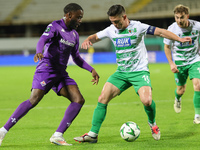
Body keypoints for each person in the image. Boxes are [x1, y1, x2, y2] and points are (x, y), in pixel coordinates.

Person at [73, 4, 191, 143]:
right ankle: (93, 135)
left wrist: (179, 39)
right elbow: (95, 37)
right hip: (121, 73)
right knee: (102, 98)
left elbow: (160, 32)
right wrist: (88, 40)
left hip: (139, 72)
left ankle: (152, 124)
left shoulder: (138, 26)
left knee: (147, 101)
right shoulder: (111, 29)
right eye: (112, 22)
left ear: (124, 17)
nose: (115, 24)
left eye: (117, 21)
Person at [0, 3, 99, 146]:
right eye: (78, 18)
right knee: (34, 100)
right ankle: (3, 131)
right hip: (46, 69)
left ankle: (58, 135)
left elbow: (76, 58)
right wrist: (39, 51)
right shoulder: (55, 26)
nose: (80, 21)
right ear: (69, 15)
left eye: (81, 18)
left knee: (78, 99)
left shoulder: (74, 35)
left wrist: (91, 69)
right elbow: (42, 40)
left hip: (61, 73)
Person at [164, 4, 200, 124]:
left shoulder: (197, 26)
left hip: (195, 59)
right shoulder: (172, 29)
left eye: (182, 17)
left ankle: (197, 115)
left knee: (198, 85)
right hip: (179, 62)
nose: (179, 20)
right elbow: (167, 47)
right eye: (177, 17)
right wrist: (171, 63)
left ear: (187, 16)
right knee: (181, 90)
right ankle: (178, 98)